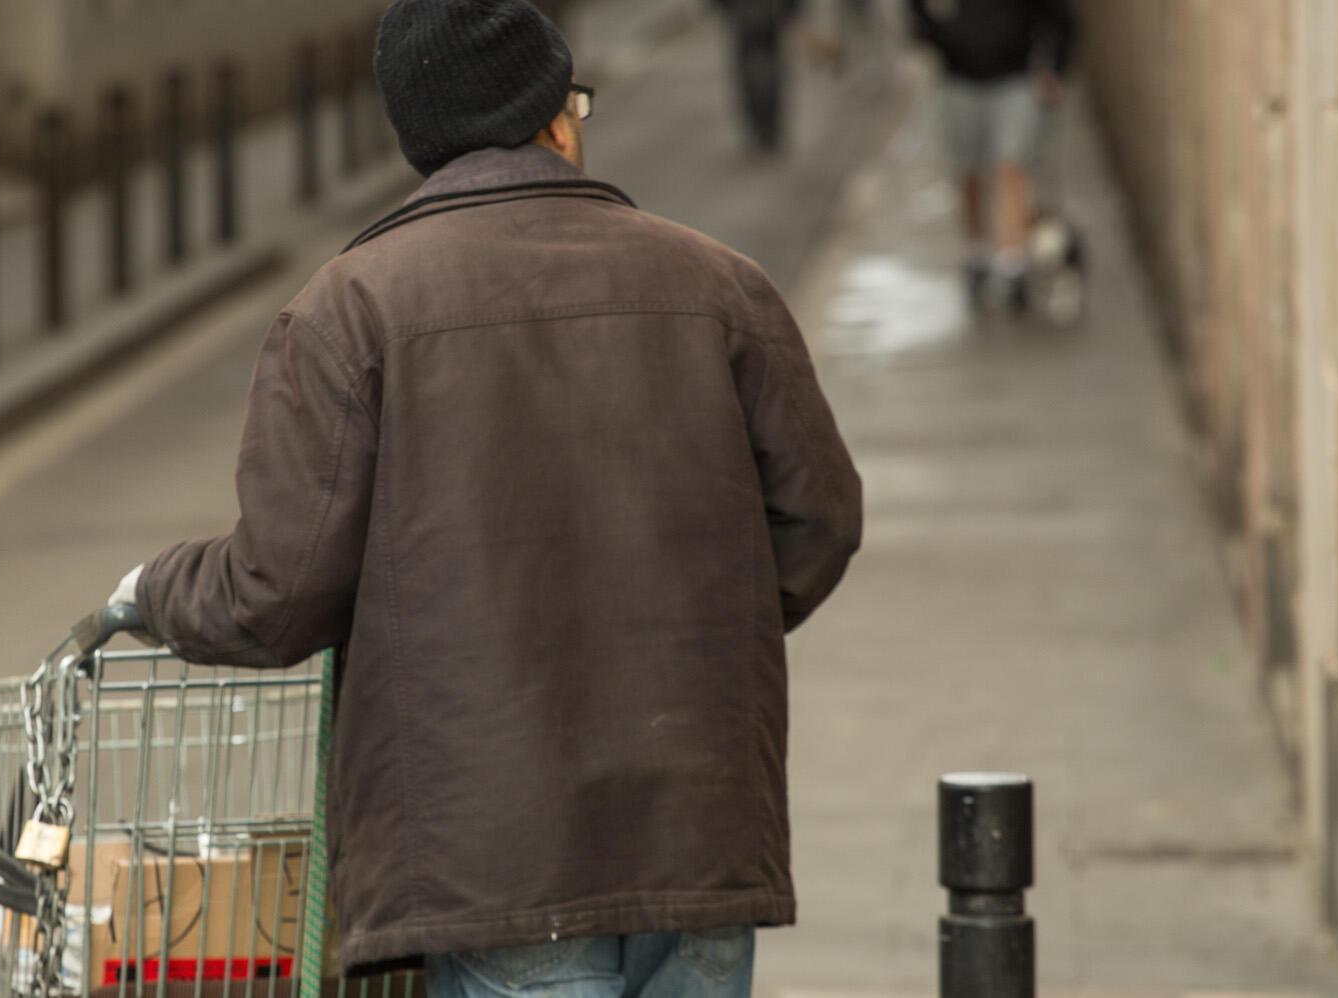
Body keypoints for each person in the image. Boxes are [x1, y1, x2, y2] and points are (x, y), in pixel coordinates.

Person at [107, 1, 863, 996]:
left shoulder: (347, 310)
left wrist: (147, 589)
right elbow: (819, 518)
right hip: (697, 837)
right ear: (557, 118)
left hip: (496, 857)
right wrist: (680, 636)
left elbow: (276, 587)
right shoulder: (721, 286)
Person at [906, 0, 1074, 312]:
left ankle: (1012, 264)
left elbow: (1059, 14)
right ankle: (978, 253)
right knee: (968, 172)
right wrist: (935, 35)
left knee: (1012, 167)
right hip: (959, 77)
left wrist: (1056, 66)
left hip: (1014, 76)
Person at [711, 0, 805, 152]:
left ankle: (763, 129)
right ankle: (768, 128)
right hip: (768, 13)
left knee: (752, 71)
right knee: (766, 69)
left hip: (746, 15)